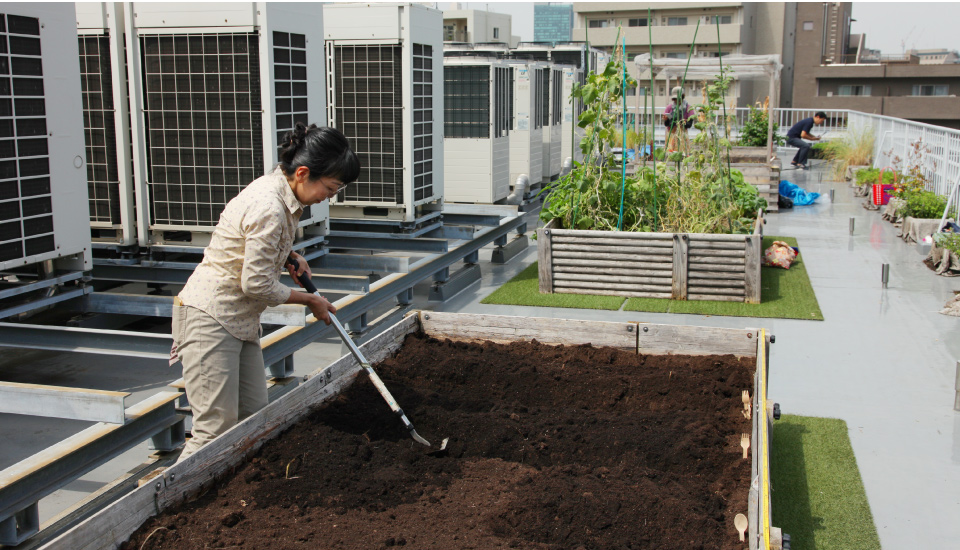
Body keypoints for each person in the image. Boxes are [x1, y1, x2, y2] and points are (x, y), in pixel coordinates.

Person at [171, 123, 360, 461]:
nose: (329, 197)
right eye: (330, 188)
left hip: (239, 319)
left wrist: (287, 254)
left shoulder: (279, 190)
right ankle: (169, 507)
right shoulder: (270, 206)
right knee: (213, 430)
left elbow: (246, 241)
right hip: (211, 316)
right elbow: (255, 283)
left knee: (253, 417)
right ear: (303, 173)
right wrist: (310, 300)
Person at [662, 86, 695, 152]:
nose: (676, 101)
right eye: (674, 99)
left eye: (677, 98)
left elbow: (689, 124)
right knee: (670, 154)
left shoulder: (689, 108)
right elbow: (667, 124)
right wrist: (666, 119)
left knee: (683, 153)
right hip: (672, 135)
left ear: (682, 97)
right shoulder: (669, 108)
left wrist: (682, 122)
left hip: (682, 135)